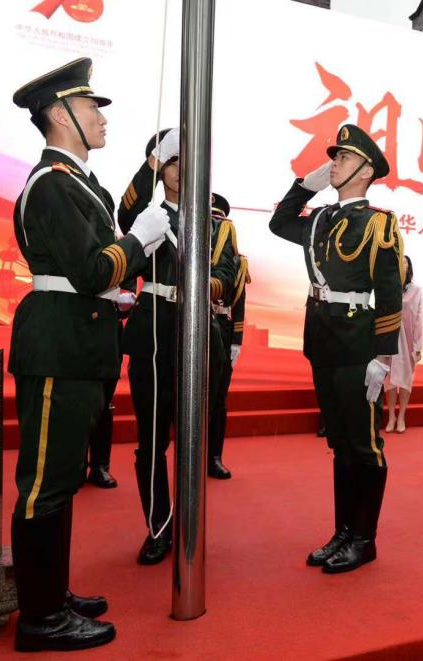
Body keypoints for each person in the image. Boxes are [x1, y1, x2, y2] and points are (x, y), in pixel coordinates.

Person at [9, 57, 167, 651]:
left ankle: (51, 592)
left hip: (78, 343)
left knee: (61, 479)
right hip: (60, 345)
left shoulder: (78, 183)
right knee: (45, 484)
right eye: (89, 107)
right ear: (58, 114)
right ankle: (40, 618)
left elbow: (94, 272)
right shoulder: (52, 183)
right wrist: (140, 239)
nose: (101, 118)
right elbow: (92, 269)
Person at [270, 124, 404, 574]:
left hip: (357, 343)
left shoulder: (378, 223)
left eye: (344, 158)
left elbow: (390, 294)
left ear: (366, 171)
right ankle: (343, 532)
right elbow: (279, 223)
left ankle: (364, 539)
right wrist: (305, 185)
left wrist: (382, 357)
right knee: (341, 444)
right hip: (323, 341)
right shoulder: (321, 219)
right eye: (335, 157)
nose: (335, 163)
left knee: (364, 445)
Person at [119, 131, 236, 565]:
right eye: (173, 161)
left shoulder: (217, 224)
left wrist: (204, 284)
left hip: (198, 332)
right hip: (154, 329)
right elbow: (125, 211)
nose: (182, 169)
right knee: (151, 440)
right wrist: (153, 158)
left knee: (193, 437)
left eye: (189, 159)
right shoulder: (147, 217)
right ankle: (159, 527)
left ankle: (190, 523)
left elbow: (228, 275)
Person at [207, 193, 241, 479]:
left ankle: (214, 456)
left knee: (218, 398)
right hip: (192, 324)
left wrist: (236, 341)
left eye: (218, 220)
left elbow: (238, 301)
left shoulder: (236, 259)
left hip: (221, 325)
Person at [385, 256, 423, 433]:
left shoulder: (416, 291)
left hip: (408, 341)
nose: (402, 264)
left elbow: (419, 318)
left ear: (409, 267)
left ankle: (401, 416)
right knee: (390, 379)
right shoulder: (387, 286)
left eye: (405, 262)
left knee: (406, 379)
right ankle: (391, 416)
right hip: (390, 339)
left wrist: (418, 345)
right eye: (399, 261)